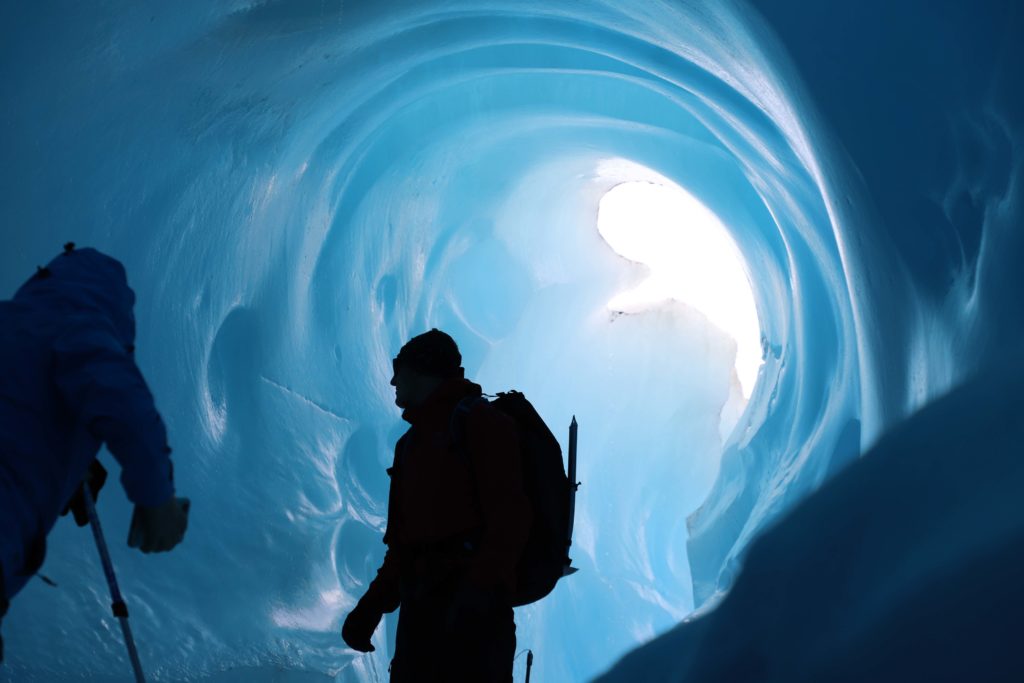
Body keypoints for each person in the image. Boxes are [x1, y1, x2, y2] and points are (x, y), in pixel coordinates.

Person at [0, 244, 188, 662]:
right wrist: (157, 499)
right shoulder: (77, 323)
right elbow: (117, 395)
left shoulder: (11, 320)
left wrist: (67, 465)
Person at [342, 329, 532, 682]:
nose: (393, 379)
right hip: (422, 623)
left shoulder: (482, 424)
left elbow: (510, 520)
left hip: (475, 629)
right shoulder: (409, 446)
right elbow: (402, 546)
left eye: (400, 367)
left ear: (423, 369)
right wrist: (370, 608)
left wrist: (478, 595)